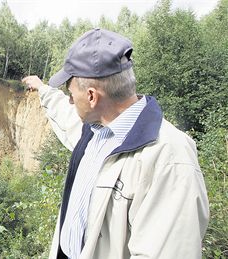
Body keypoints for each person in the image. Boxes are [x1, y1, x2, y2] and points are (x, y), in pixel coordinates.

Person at [22, 28, 209, 259]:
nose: (70, 100)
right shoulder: (94, 131)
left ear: (92, 96)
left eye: (71, 93)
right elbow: (65, 114)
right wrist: (42, 88)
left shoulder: (169, 158)